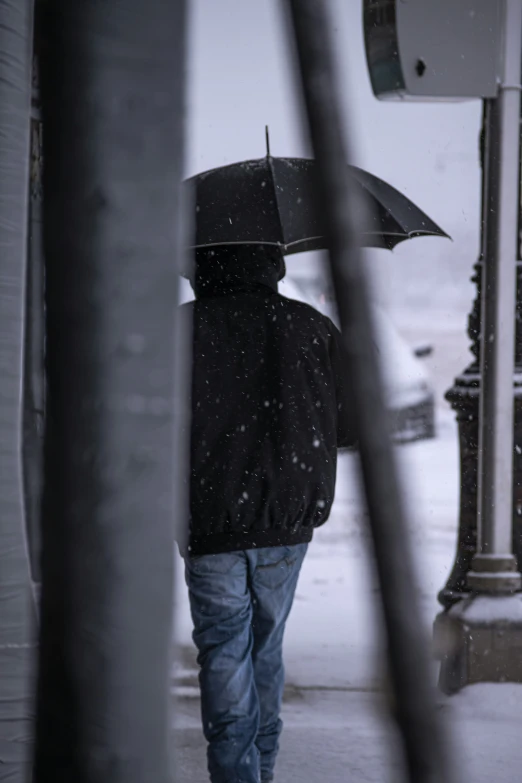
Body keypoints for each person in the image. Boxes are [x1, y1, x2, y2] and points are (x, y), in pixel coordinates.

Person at [180, 245, 355, 783]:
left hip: (208, 519)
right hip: (286, 517)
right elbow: (346, 427)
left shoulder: (180, 329)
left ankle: (237, 773)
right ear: (271, 262)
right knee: (265, 648)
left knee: (224, 650)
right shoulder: (310, 326)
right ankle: (264, 767)